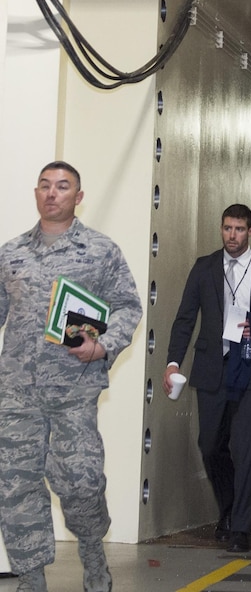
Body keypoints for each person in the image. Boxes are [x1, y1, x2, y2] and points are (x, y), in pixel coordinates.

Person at [0, 161, 142, 592]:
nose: (51, 193)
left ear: (78, 197)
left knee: (80, 484)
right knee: (17, 488)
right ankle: (30, 577)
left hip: (73, 393)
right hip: (17, 394)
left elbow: (128, 307)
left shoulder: (101, 251)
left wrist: (102, 346)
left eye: (62, 187)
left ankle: (93, 553)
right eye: (44, 186)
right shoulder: (10, 253)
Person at [164, 203, 251, 553]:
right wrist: (173, 363)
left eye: (239, 229)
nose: (232, 236)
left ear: (250, 231)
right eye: (227, 228)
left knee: (248, 450)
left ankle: (240, 526)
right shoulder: (204, 268)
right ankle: (229, 507)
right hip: (213, 368)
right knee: (210, 446)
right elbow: (184, 319)